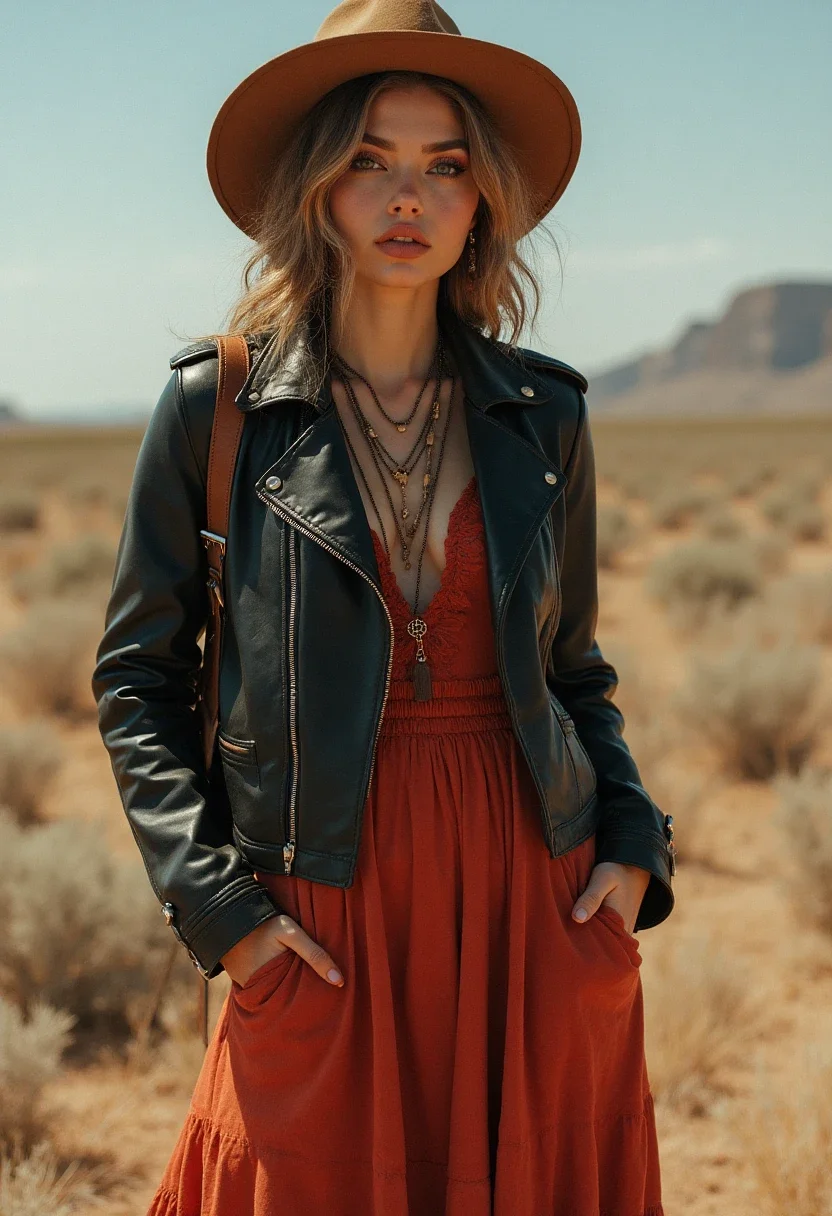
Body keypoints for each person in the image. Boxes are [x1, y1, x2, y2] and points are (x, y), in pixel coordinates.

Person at [92, 1, 677, 1212]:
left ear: (481, 202)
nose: (408, 197)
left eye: (444, 167)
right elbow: (137, 680)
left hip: (534, 897)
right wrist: (223, 912)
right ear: (315, 190)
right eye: (370, 160)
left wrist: (632, 846)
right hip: (317, 902)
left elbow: (574, 669)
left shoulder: (545, 415)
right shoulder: (217, 410)